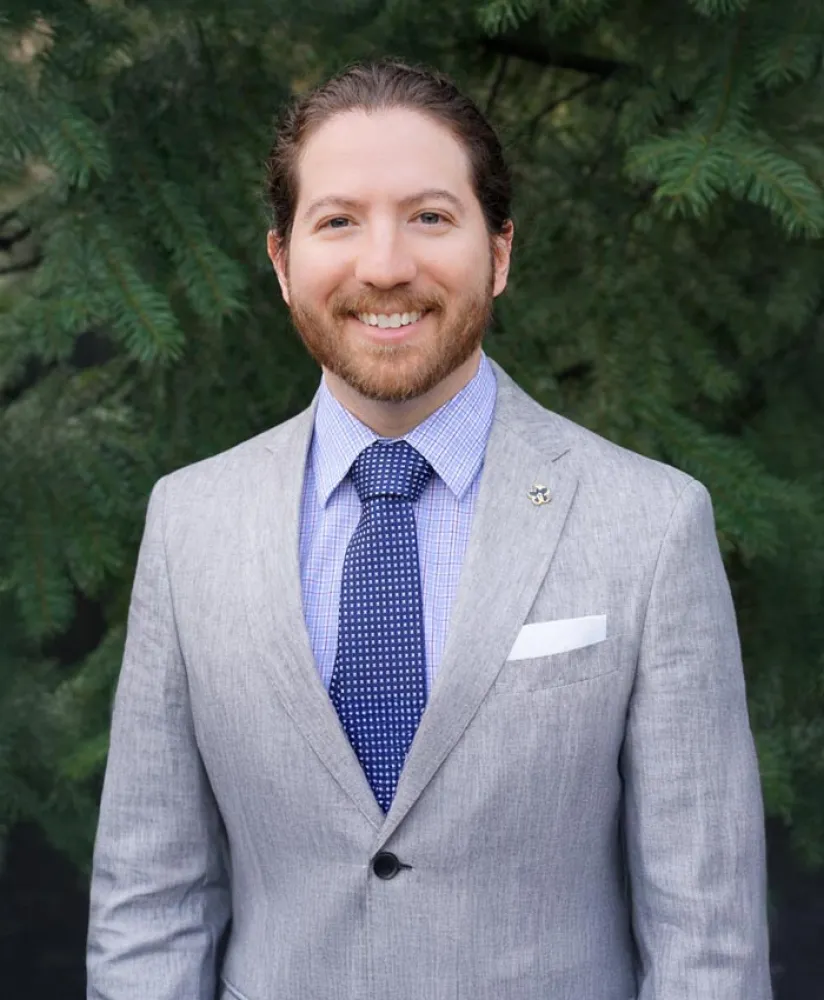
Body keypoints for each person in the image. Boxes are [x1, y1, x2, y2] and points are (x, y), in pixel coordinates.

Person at [86, 59, 773, 1000]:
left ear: (499, 253)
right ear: (282, 262)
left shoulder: (650, 524)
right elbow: (149, 904)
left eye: (431, 217)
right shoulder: (189, 522)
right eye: (338, 221)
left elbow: (708, 940)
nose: (384, 265)